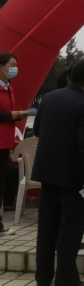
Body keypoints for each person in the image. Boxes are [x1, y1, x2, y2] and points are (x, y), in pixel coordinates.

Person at [32, 59, 84, 286]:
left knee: (47, 226)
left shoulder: (49, 98)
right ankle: (66, 279)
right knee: (70, 228)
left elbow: (37, 130)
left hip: (47, 171)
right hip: (74, 175)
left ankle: (43, 278)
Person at [0, 52, 22, 236]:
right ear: (1, 67)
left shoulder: (8, 87)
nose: (15, 68)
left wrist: (17, 115)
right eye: (12, 65)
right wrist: (10, 115)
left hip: (5, 141)